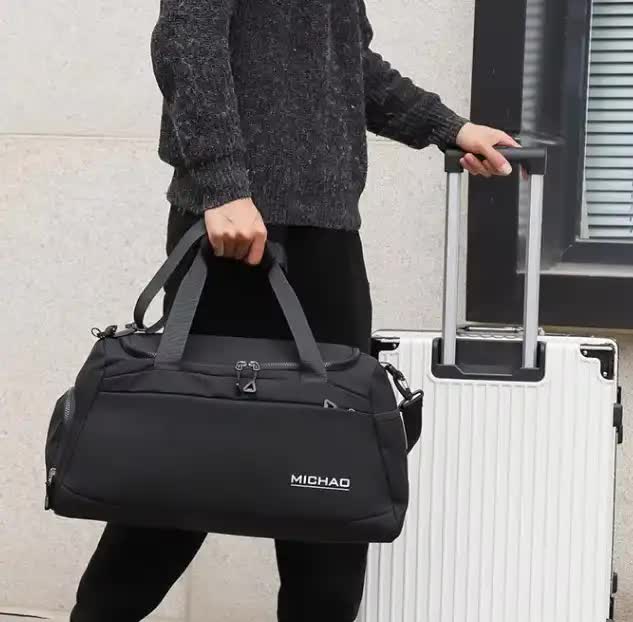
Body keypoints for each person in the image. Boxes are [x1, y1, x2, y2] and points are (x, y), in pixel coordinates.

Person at [70, 1, 518, 620]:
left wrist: (450, 127)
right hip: (237, 229)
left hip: (328, 232)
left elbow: (348, 62)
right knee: (183, 464)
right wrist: (222, 186)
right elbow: (187, 40)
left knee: (334, 469)